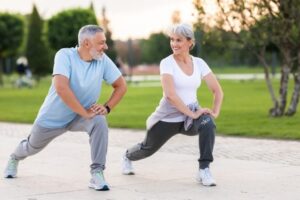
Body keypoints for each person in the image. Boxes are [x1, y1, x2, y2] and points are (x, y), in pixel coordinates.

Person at [4, 25, 127, 191]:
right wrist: (84, 112)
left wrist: (107, 107)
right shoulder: (64, 55)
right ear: (86, 43)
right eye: (101, 43)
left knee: (99, 121)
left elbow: (121, 86)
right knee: (31, 147)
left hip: (80, 117)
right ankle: (14, 157)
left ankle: (97, 173)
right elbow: (62, 88)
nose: (105, 47)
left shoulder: (102, 60)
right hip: (53, 118)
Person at [121, 23, 223, 187]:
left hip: (189, 117)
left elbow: (217, 91)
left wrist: (215, 112)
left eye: (179, 40)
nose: (174, 44)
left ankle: (204, 169)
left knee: (208, 123)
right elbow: (170, 96)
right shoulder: (166, 63)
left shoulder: (199, 63)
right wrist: (194, 114)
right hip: (168, 117)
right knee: (147, 149)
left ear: (190, 42)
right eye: (172, 40)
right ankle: (127, 156)